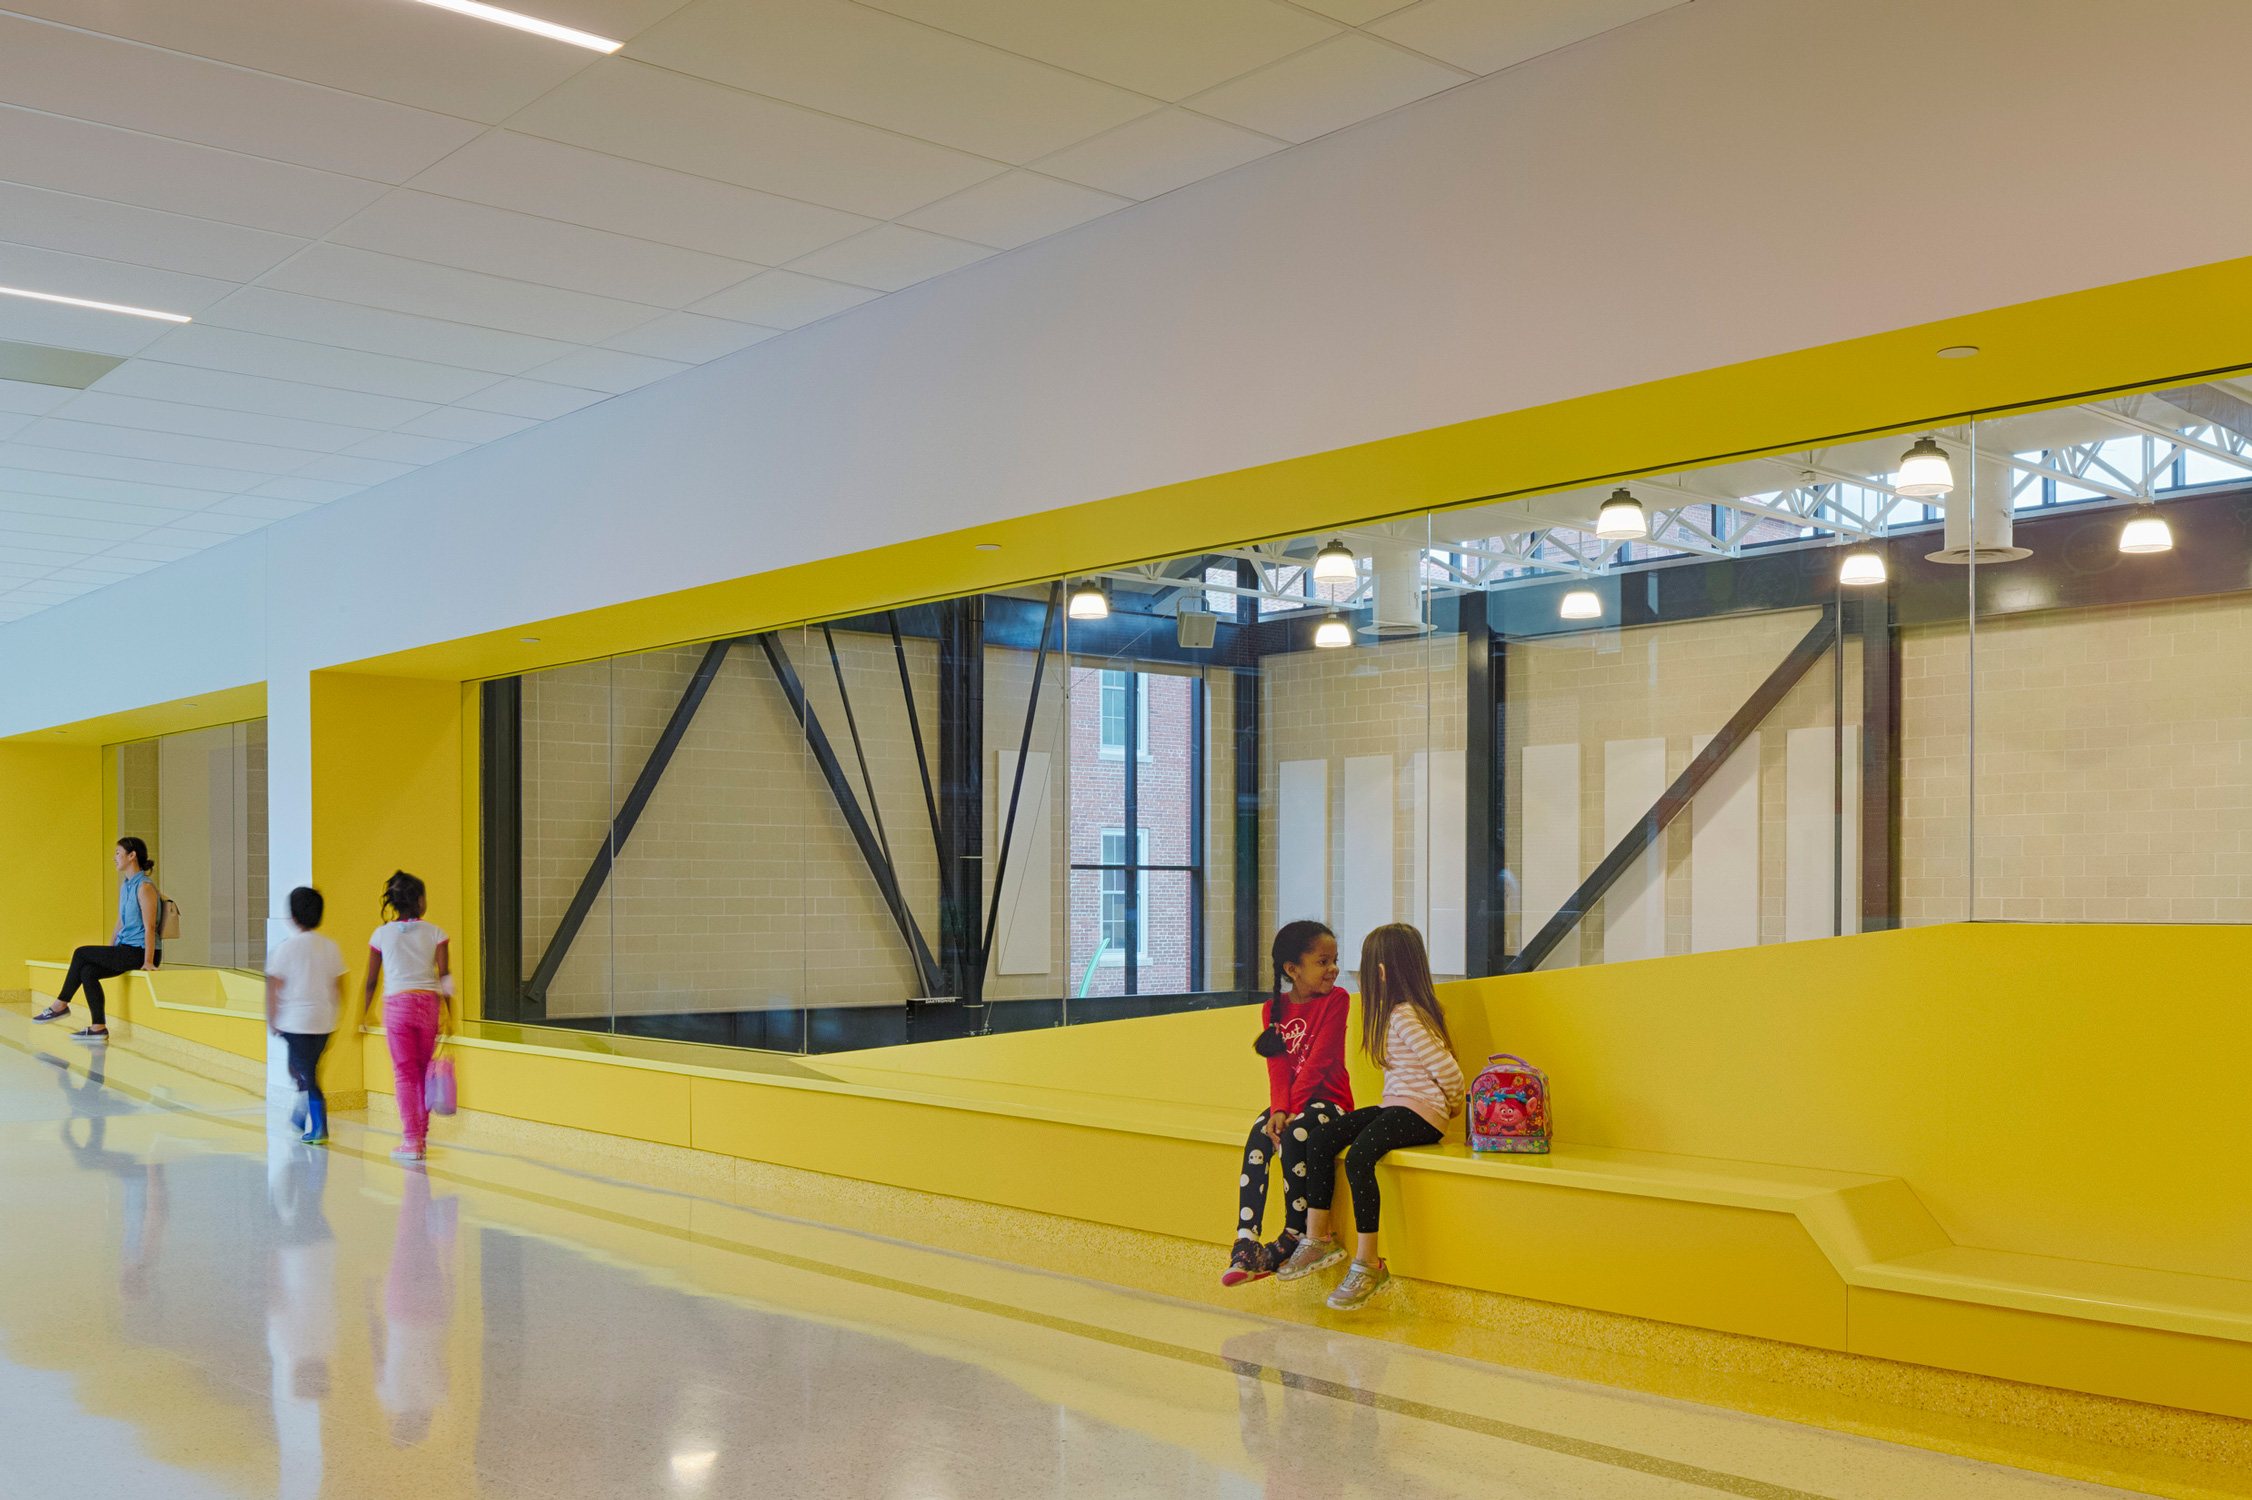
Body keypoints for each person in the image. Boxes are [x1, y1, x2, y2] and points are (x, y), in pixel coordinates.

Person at [1276, 923, 1463, 1311]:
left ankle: (1368, 1262)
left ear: (1380, 972)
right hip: (1398, 1106)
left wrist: (1452, 1106)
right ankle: (1318, 1238)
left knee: (1361, 1156)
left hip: (1421, 1113)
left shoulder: (1405, 1016)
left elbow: (1449, 1071)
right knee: (1321, 1139)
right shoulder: (1396, 1014)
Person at [1222, 920, 1353, 1287]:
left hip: (1330, 1102)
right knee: (1259, 1133)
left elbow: (1320, 1063)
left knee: (1294, 1133)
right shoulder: (1273, 1009)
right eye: (1322, 962)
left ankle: (1294, 1233)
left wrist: (1290, 1112)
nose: (1333, 969)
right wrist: (1278, 1109)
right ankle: (1246, 1239)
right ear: (1292, 970)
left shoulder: (1336, 1000)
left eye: (1334, 960)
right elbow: (1278, 1069)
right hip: (1293, 1103)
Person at [34, 836, 161, 1044]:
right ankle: (98, 1027)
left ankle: (60, 1005)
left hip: (142, 951)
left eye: (118, 853)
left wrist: (148, 961)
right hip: (126, 949)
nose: (115, 858)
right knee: (88, 971)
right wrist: (109, 950)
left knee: (81, 952)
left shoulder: (144, 887)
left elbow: (150, 927)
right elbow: (120, 921)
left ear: (132, 856)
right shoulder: (127, 885)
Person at [362, 871, 450, 1163]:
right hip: (428, 1005)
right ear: (420, 900)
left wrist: (364, 1011)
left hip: (397, 1007)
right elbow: (445, 976)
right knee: (424, 1071)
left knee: (404, 1074)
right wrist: (451, 1013)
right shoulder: (436, 933)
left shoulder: (380, 934)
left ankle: (411, 1140)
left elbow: (371, 980)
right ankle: (420, 1139)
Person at [267, 886, 347, 1146]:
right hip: (323, 1021)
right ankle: (300, 1115)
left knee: (307, 1074)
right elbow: (339, 987)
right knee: (303, 1069)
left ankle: (318, 1125)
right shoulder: (330, 947)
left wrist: (273, 1017)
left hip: (296, 1022)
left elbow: (274, 986)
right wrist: (335, 1012)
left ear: (292, 916)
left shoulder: (286, 949)